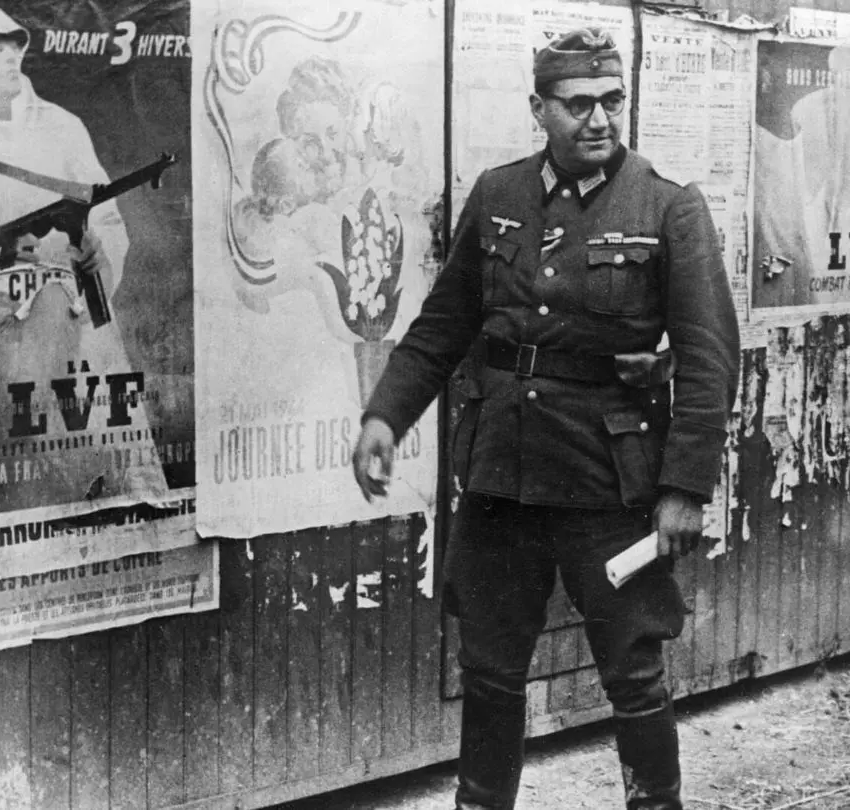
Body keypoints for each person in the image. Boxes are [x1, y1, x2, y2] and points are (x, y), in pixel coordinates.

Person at [350, 27, 740, 810]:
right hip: (503, 475)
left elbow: (709, 358)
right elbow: (444, 323)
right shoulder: (498, 196)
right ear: (539, 108)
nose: (599, 119)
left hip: (609, 482)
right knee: (490, 670)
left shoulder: (670, 208)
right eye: (578, 104)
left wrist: (685, 488)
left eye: (612, 100)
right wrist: (385, 415)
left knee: (632, 671)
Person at [0, 4, 166, 517]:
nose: (11, 59)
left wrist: (97, 248)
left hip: (86, 342)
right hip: (10, 351)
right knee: (36, 500)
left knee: (117, 493)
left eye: (14, 46)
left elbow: (108, 220)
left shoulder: (63, 129)